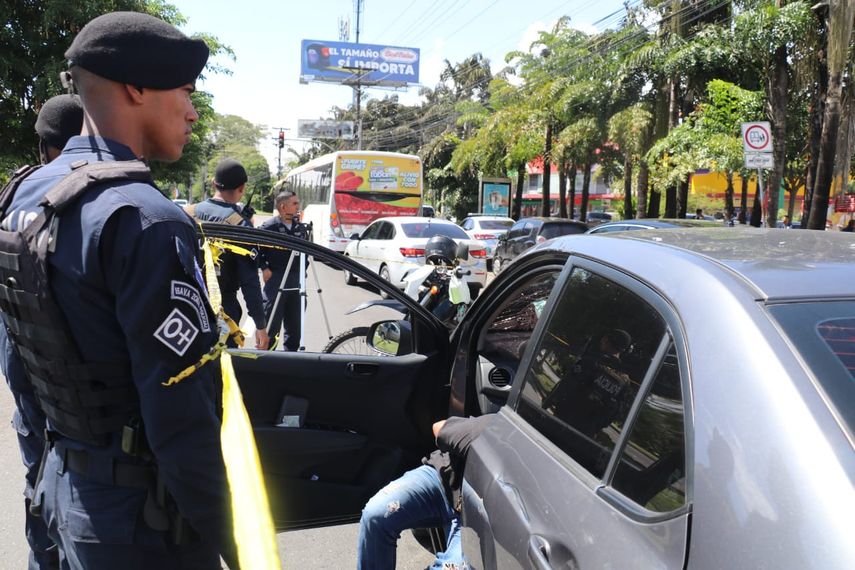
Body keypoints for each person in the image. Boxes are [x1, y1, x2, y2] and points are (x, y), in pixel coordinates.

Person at [0, 12, 237, 569]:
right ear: (137, 88)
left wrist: (50, 466)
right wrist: (234, 540)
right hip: (140, 525)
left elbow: (18, 358)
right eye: (184, 91)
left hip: (60, 492)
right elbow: (181, 417)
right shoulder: (147, 220)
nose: (193, 111)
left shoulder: (26, 194)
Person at [0, 93, 83, 570]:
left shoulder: (16, 190)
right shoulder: (89, 192)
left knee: (38, 481)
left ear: (44, 144)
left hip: (21, 361)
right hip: (73, 388)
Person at [357, 414, 493, 570]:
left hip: (475, 516)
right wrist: (467, 441)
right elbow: (439, 427)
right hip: (441, 478)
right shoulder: (497, 426)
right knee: (376, 514)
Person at [185, 158, 269, 349]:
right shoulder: (240, 224)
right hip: (224, 311)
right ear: (242, 189)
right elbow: (250, 281)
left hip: (186, 305)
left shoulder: (186, 213)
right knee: (221, 370)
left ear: (214, 183)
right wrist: (260, 325)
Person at [542, 328, 634, 436]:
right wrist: (594, 427)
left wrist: (546, 405)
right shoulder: (624, 380)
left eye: (604, 339)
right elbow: (615, 413)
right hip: (585, 433)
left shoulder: (592, 361)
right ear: (622, 350)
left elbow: (566, 385)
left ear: (606, 340)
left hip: (563, 420)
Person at [257, 189, 310, 351]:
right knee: (271, 326)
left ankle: (289, 362)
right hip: (276, 279)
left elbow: (306, 254)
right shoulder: (270, 227)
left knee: (295, 329)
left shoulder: (300, 228)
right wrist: (264, 268)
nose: (297, 206)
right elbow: (255, 249)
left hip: (296, 280)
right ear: (283, 207)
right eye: (294, 203)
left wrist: (304, 270)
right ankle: (266, 362)